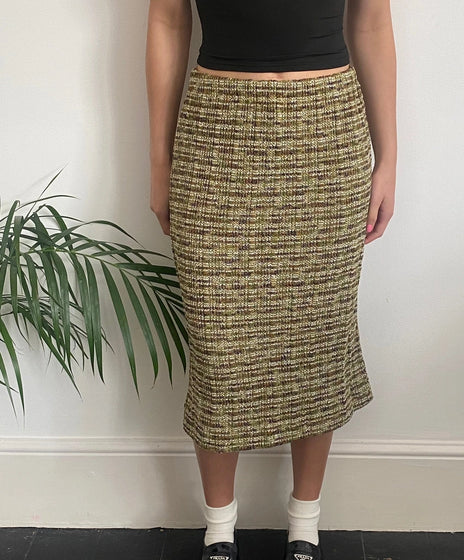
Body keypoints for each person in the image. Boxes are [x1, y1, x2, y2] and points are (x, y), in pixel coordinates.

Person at [146, 1, 396, 558]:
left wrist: (389, 159)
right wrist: (160, 162)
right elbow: (167, 20)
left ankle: (305, 522)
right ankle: (219, 528)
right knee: (219, 347)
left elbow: (372, 23)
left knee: (316, 337)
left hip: (327, 132)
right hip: (215, 131)